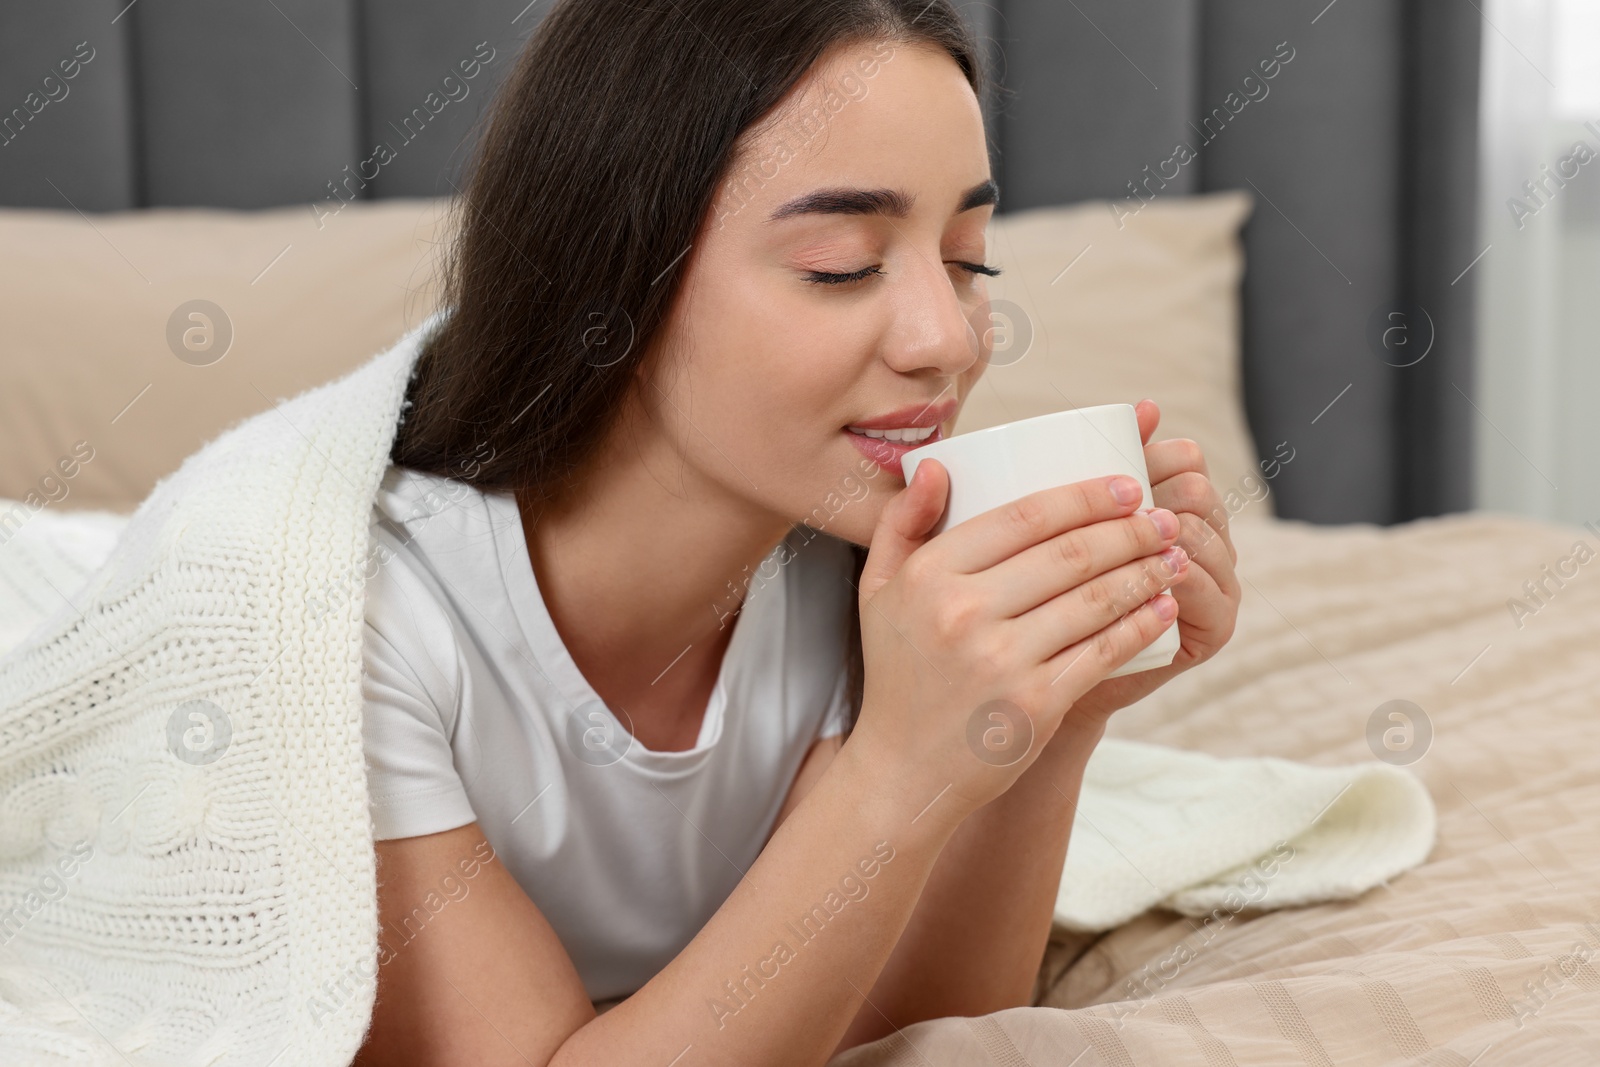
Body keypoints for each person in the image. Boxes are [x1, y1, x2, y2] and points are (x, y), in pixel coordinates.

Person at [353, 0, 1241, 1063]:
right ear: (607, 281)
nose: (946, 337)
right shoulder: (360, 625)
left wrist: (1052, 716)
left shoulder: (851, 578)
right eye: (841, 265)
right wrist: (895, 770)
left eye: (967, 259)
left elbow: (900, 1033)